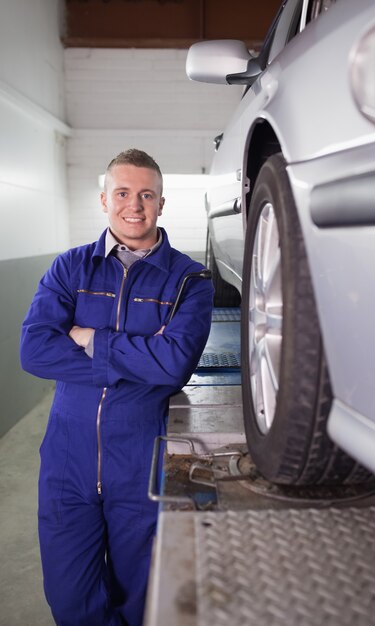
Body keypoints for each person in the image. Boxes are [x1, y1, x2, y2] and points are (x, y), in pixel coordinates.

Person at [20, 148, 214, 626]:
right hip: (68, 461)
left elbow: (174, 366)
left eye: (146, 194)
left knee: (144, 600)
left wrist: (89, 338)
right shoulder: (71, 268)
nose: (135, 205)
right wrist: (138, 359)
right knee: (70, 601)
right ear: (104, 199)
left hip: (142, 462)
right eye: (123, 193)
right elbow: (35, 352)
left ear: (162, 204)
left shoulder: (190, 281)